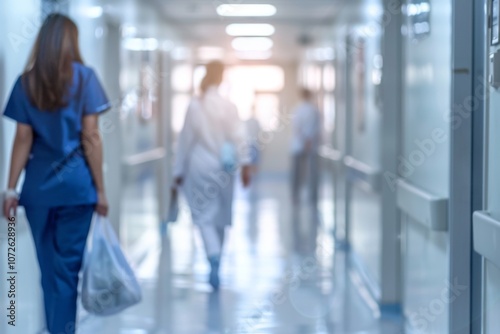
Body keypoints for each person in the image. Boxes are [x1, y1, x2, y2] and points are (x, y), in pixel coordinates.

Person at [2, 14, 110, 334]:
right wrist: (101, 190)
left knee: (49, 271)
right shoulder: (86, 78)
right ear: (72, 42)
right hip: (77, 191)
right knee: (66, 273)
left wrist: (10, 189)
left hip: (38, 193)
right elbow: (91, 137)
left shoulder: (26, 82)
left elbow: (23, 138)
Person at [173, 61, 251, 290]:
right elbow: (240, 136)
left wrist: (177, 171)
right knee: (222, 215)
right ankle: (218, 256)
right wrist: (246, 165)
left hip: (199, 166)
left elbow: (185, 140)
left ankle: (213, 258)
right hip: (225, 168)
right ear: (221, 77)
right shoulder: (229, 106)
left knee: (204, 216)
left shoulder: (195, 106)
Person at [290, 88, 321, 205]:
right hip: (310, 144)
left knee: (297, 173)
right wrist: (308, 140)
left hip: (299, 144)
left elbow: (296, 128)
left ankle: (295, 196)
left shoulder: (297, 109)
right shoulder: (314, 110)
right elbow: (316, 128)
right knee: (312, 172)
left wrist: (304, 140)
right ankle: (313, 197)